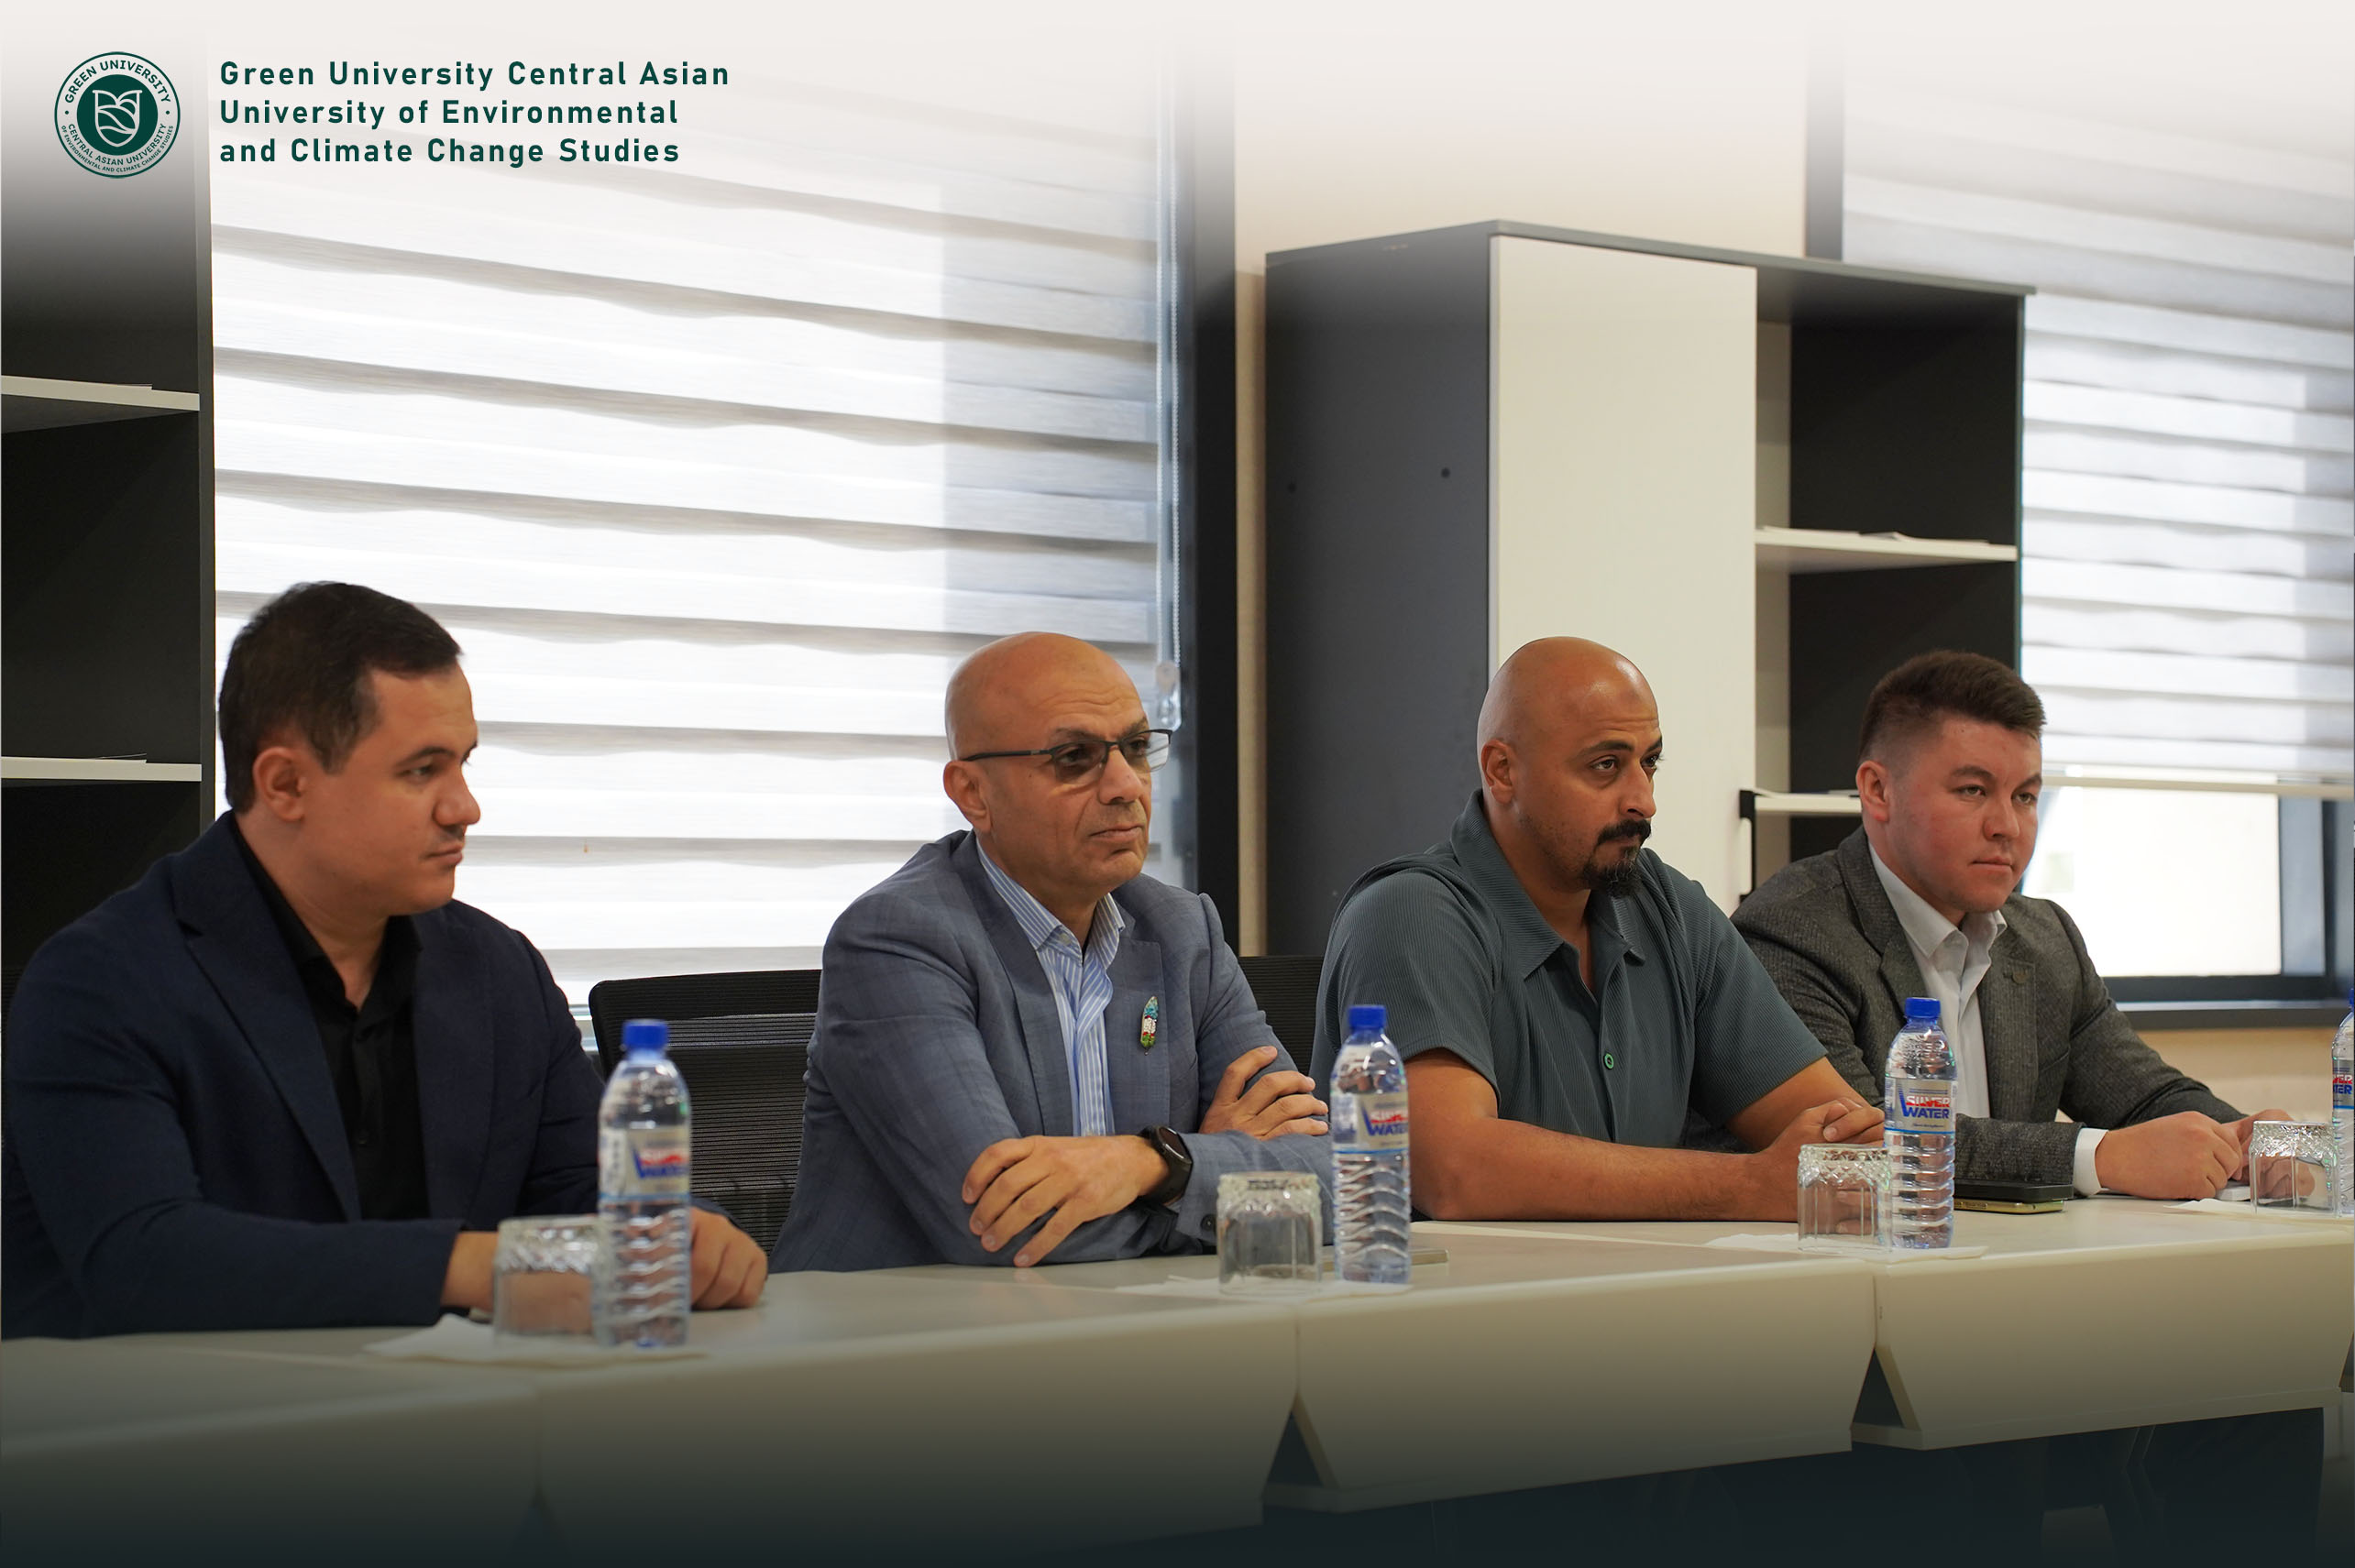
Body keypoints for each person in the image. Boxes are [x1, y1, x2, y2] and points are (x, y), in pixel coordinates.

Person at [2, 583, 766, 1338]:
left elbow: (575, 1188)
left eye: (464, 764)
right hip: (168, 1408)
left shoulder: (499, 971)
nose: (464, 807)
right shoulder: (101, 980)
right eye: (422, 770)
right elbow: (145, 1260)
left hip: (446, 1404)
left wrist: (684, 1236)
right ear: (285, 784)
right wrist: (464, 1265)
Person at [773, 631, 1329, 1272]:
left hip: (1125, 1320)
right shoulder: (896, 939)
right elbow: (1009, 1229)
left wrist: (1149, 1161)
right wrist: (1205, 1172)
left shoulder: (1182, 930)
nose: (1125, 784)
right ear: (973, 794)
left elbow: (1335, 1181)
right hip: (905, 1329)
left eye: (1136, 747)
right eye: (1074, 758)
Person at [1311, 636, 1881, 1222]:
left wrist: (1851, 1163)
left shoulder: (1670, 908)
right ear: (1503, 771)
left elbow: (1845, 1137)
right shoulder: (1412, 913)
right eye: (1605, 766)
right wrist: (1747, 1186)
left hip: (1653, 1279)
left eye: (1649, 763)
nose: (1644, 801)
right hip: (1455, 1284)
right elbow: (1451, 1170)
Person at [1732, 650, 2283, 1198]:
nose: (2007, 827)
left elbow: (2145, 1098)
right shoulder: (1793, 931)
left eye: (2025, 797)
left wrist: (2246, 1139)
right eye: (1973, 791)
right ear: (1879, 791)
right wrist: (2098, 1157)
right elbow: (1862, 1143)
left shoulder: (2045, 937)